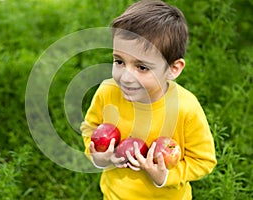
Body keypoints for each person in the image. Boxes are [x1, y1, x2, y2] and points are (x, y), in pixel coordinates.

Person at [80, 0, 217, 199]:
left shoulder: (185, 108)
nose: (126, 77)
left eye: (142, 67)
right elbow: (90, 128)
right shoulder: (107, 92)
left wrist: (165, 176)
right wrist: (99, 157)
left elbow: (204, 161)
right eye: (119, 61)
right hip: (114, 195)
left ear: (173, 69)